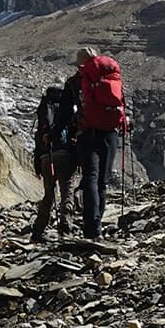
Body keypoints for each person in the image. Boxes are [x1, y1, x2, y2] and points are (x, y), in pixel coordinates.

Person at [75, 48, 126, 240]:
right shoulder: (111, 76)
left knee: (90, 178)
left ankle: (91, 228)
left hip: (89, 133)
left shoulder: (81, 79)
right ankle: (98, 224)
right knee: (102, 182)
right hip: (110, 134)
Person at [31, 81, 76, 242]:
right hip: (65, 155)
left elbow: (38, 141)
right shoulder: (67, 109)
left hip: (46, 158)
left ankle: (38, 231)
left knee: (48, 195)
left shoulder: (44, 113)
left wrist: (37, 167)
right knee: (67, 191)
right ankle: (66, 227)